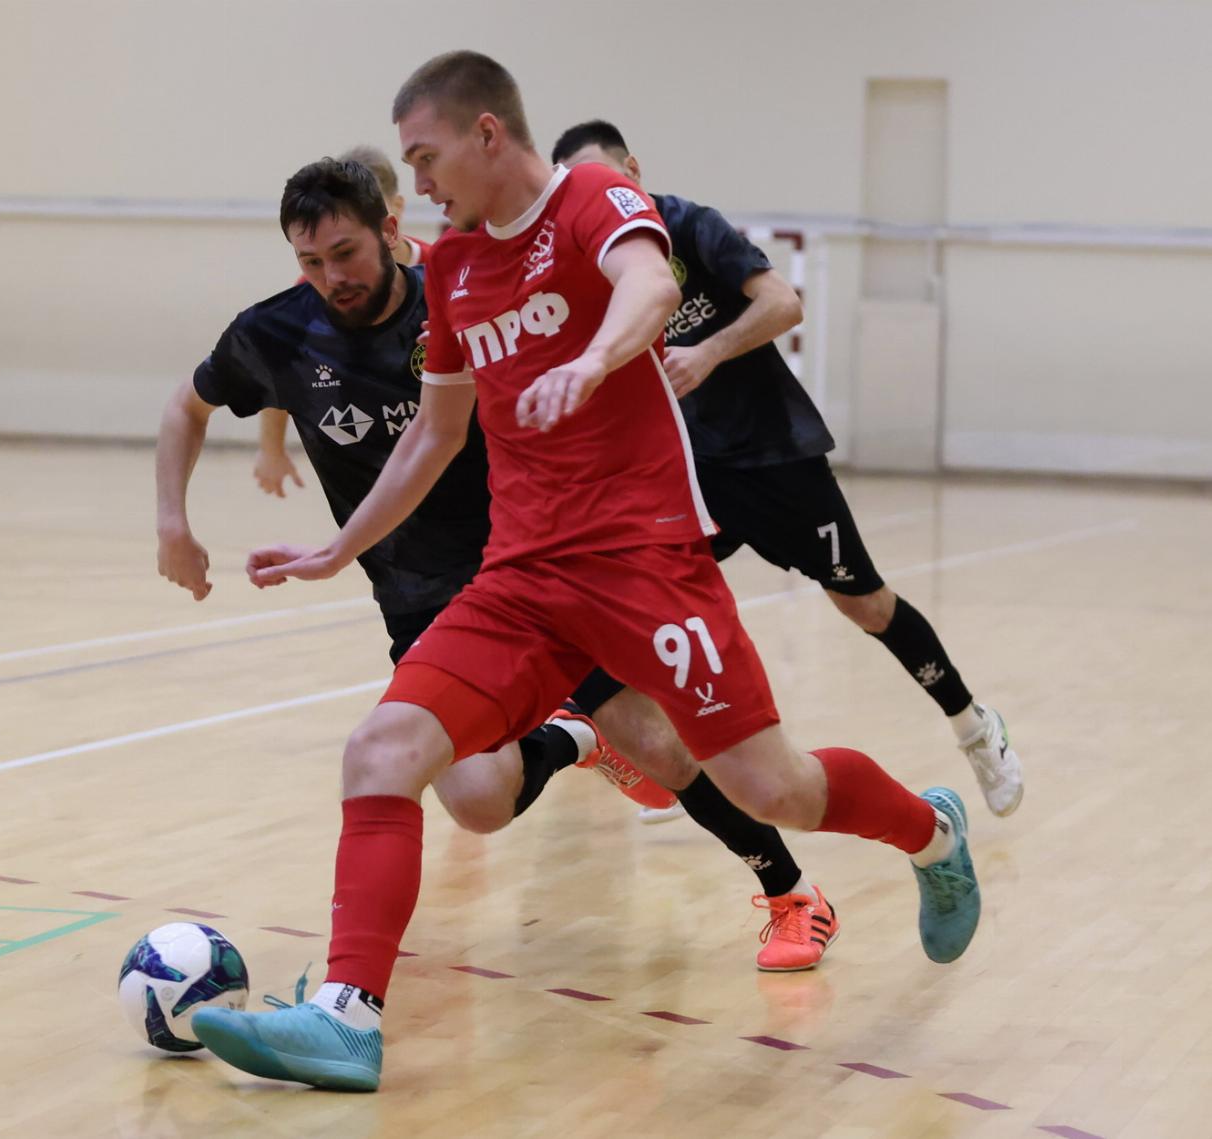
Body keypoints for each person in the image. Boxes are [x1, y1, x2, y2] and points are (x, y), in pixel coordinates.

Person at [191, 52, 980, 1093]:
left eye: (425, 157)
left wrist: (596, 357)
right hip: (521, 578)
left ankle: (931, 831)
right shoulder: (454, 269)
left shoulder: (590, 198)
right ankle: (346, 1017)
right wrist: (338, 548)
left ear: (486, 133)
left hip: (647, 564)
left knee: (773, 786)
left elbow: (651, 284)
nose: (415, 183)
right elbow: (434, 432)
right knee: (382, 748)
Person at [156, 157, 838, 976]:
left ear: (389, 230)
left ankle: (791, 891)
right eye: (310, 261)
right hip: (420, 600)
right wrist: (173, 523)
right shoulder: (277, 331)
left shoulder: (461, 299)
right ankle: (575, 739)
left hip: (538, 570)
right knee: (479, 803)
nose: (332, 277)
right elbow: (186, 406)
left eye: (345, 253)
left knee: (663, 746)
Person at [550, 120, 1023, 822]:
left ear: (634, 172)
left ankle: (973, 725)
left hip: (773, 457)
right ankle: (672, 760)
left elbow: (783, 303)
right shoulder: (587, 263)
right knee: (638, 604)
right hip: (689, 473)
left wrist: (708, 351)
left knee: (864, 604)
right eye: (578, 191)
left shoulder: (691, 226)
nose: (596, 198)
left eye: (605, 180)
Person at [253, 145, 436, 498]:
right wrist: (271, 450)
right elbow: (279, 367)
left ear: (396, 210)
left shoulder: (441, 268)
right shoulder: (315, 290)